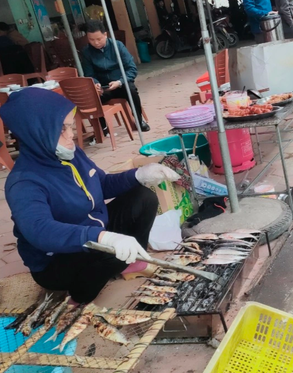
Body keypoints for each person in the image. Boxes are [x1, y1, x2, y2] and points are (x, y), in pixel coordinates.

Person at [0, 88, 179, 305]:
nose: (71, 134)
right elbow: (40, 230)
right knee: (111, 251)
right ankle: (79, 296)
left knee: (143, 197)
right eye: (60, 130)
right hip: (55, 261)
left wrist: (139, 175)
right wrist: (100, 237)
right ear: (36, 133)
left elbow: (101, 184)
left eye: (69, 126)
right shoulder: (24, 182)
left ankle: (129, 262)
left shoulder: (70, 154)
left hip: (92, 231)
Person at [80, 21, 150, 132]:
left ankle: (138, 120)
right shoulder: (87, 52)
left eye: (99, 39)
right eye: (91, 40)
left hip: (120, 85)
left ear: (105, 35)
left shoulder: (117, 46)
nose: (96, 43)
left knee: (131, 89)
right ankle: (103, 127)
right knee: (90, 96)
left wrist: (120, 81)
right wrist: (95, 83)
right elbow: (89, 74)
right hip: (103, 88)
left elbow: (132, 69)